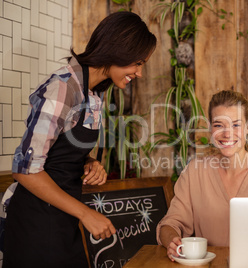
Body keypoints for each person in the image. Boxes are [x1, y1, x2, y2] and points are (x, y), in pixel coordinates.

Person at [3, 12, 156, 267]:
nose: (139, 73)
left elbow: (60, 149)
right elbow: (25, 171)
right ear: (118, 51)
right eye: (137, 63)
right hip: (36, 226)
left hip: (64, 221)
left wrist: (89, 161)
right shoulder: (63, 87)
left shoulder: (95, 93)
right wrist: (86, 213)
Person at [157, 90, 248, 261]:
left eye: (236, 125)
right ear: (210, 128)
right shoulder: (194, 173)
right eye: (219, 125)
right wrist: (172, 241)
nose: (227, 134)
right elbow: (170, 223)